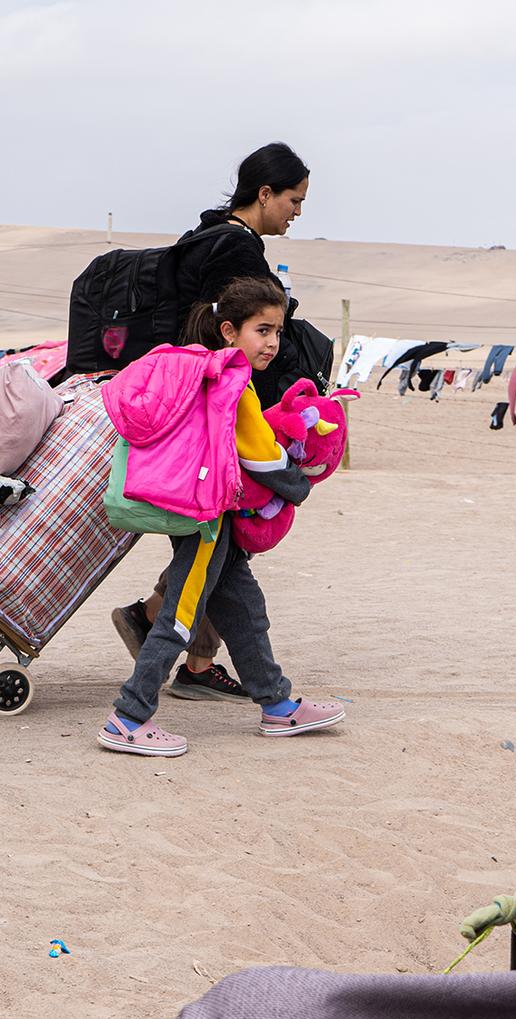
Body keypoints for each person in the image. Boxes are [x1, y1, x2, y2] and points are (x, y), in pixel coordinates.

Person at [100, 277, 345, 758]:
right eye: (263, 330)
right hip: (209, 522)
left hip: (213, 515)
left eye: (278, 331)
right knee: (180, 617)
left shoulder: (209, 371)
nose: (273, 342)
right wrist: (299, 484)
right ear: (230, 330)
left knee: (247, 611)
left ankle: (277, 705)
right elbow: (261, 456)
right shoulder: (234, 382)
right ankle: (128, 717)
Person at [110, 143, 311, 703]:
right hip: (218, 430)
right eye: (293, 200)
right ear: (265, 193)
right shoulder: (235, 251)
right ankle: (139, 698)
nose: (297, 212)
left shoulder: (203, 236)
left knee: (225, 563)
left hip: (201, 419)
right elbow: (241, 334)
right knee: (215, 557)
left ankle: (226, 677)